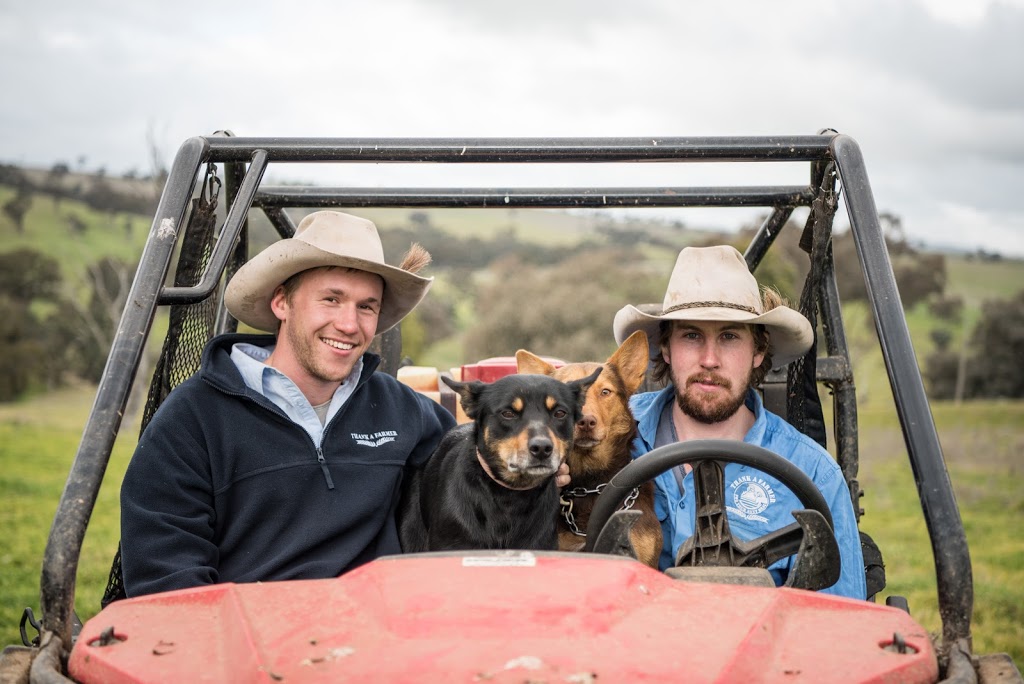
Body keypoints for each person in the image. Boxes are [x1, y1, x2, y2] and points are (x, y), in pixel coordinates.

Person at [119, 210, 459, 597]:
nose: (350, 324)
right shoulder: (193, 419)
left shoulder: (402, 408)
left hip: (383, 634)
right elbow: (166, 580)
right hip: (252, 641)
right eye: (331, 299)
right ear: (282, 302)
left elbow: (478, 470)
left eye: (367, 306)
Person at [612, 245, 866, 599]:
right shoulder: (606, 432)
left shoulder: (813, 473)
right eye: (691, 335)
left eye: (729, 337)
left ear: (758, 351)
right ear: (667, 348)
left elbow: (838, 620)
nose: (710, 359)